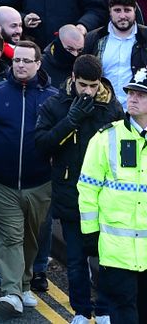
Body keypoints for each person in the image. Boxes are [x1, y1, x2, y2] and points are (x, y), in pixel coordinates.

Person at [33, 53, 122, 324]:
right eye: (83, 85)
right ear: (73, 78)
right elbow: (41, 144)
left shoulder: (111, 107)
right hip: (71, 193)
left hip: (104, 197)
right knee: (75, 261)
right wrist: (70, 120)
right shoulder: (55, 105)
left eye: (93, 86)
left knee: (106, 259)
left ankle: (104, 309)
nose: (89, 91)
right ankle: (81, 311)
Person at [0, 40, 58, 315]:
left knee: (31, 238)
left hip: (39, 183)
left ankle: (24, 284)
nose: (20, 65)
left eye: (27, 61)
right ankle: (11, 292)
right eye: (17, 60)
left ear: (38, 63)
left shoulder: (52, 98)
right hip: (0, 183)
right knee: (10, 236)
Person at [77, 65, 147, 324]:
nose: (133, 98)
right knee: (122, 312)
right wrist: (90, 233)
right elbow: (87, 187)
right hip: (117, 249)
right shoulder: (106, 137)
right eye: (131, 92)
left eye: (141, 94)